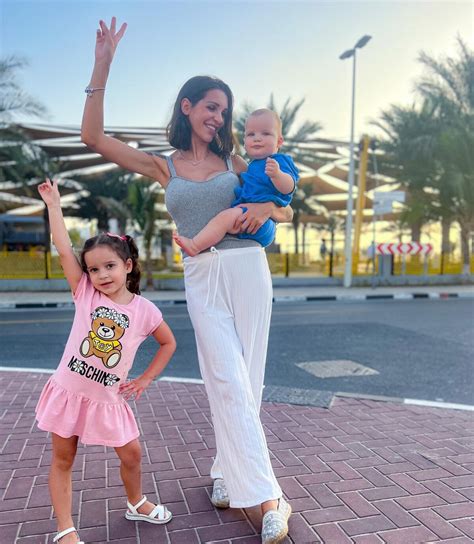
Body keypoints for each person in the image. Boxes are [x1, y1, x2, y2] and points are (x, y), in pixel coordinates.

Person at [81, 17, 293, 543]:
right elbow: (93, 138)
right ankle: (270, 497)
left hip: (246, 266)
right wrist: (102, 64)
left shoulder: (235, 158)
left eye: (225, 110)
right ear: (188, 108)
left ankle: (228, 473)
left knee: (250, 381)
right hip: (201, 274)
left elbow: (286, 208)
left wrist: (264, 205)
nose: (219, 117)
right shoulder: (163, 166)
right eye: (211, 107)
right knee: (224, 377)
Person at [36, 178, 176, 544]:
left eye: (109, 266)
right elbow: (63, 248)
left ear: (128, 265)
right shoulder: (84, 293)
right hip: (69, 390)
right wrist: (54, 206)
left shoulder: (145, 311)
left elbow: (168, 343)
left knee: (132, 454)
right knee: (63, 459)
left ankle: (136, 501)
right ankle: (65, 530)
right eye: (94, 270)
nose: (101, 276)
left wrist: (145, 379)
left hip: (109, 400)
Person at [173, 108, 298, 256]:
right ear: (245, 142)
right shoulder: (251, 166)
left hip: (264, 221)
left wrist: (277, 175)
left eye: (266, 133)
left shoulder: (280, 161)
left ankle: (195, 245)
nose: (257, 138)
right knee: (228, 220)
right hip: (251, 220)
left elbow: (289, 188)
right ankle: (230, 228)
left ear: (279, 141)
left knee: (224, 218)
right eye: (251, 134)